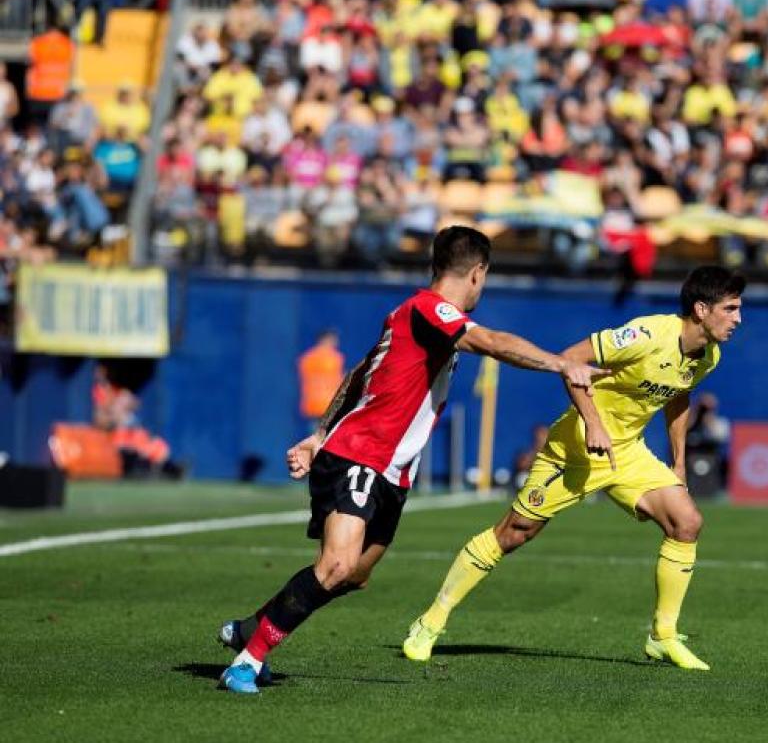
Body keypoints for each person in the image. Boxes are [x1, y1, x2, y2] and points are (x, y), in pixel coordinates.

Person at [216, 225, 608, 694]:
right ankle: (246, 661)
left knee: (355, 575)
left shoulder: (412, 318)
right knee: (337, 566)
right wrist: (561, 363)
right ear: (478, 273)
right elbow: (491, 342)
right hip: (361, 453)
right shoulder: (429, 308)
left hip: (391, 469)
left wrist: (317, 433)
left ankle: (251, 628)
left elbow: (363, 371)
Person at [402, 266, 745, 671]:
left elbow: (678, 396)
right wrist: (594, 424)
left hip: (627, 453)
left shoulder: (710, 355)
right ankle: (430, 623)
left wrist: (679, 462)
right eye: (731, 308)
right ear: (701, 309)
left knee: (687, 523)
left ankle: (663, 637)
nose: (738, 319)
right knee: (514, 533)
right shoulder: (649, 335)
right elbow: (570, 359)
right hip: (576, 446)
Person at [298, 330, 345, 430]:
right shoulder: (334, 358)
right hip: (329, 403)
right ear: (327, 340)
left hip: (312, 404)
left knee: (315, 432)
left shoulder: (307, 358)